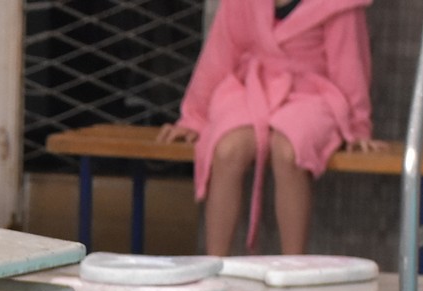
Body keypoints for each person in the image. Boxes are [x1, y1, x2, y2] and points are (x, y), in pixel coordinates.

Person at [156, 0, 376, 257]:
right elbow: (219, 55)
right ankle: (215, 264)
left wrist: (358, 126)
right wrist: (194, 117)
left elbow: (350, 63)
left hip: (312, 94)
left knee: (288, 150)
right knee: (228, 149)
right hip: (252, 88)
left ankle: (293, 267)